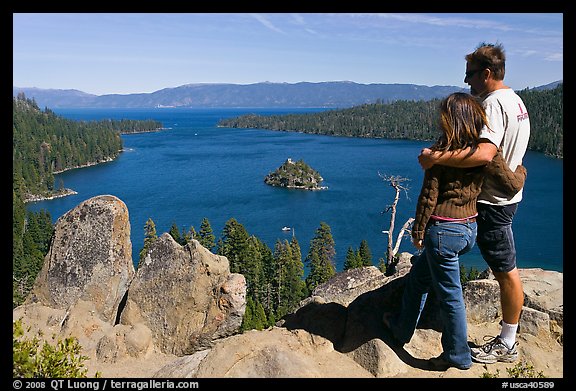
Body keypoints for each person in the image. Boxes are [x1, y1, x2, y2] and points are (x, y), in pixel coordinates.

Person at [417, 42, 530, 364]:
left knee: (505, 271)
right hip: (508, 194)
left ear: (487, 73)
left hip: (493, 202)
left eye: (470, 75)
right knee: (432, 263)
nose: (467, 82)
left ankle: (507, 342)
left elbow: (484, 154)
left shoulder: (493, 104)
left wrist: (434, 158)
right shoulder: (516, 100)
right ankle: (414, 314)